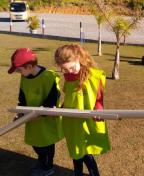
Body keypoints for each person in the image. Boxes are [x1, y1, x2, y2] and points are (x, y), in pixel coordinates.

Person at [54, 44, 110, 176]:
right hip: (71, 123)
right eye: (64, 70)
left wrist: (98, 109)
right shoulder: (68, 78)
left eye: (72, 68)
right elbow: (69, 98)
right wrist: (60, 109)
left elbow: (98, 99)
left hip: (85, 123)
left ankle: (94, 174)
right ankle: (77, 173)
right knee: (75, 151)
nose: (69, 72)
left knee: (84, 152)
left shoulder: (93, 76)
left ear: (79, 58)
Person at [8, 48, 63, 176]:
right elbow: (22, 97)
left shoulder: (49, 77)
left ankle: (48, 167)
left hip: (46, 120)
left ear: (29, 66)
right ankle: (42, 161)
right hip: (31, 119)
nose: (19, 73)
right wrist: (20, 112)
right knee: (36, 144)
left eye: (20, 70)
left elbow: (51, 103)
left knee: (46, 145)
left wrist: (36, 115)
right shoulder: (25, 77)